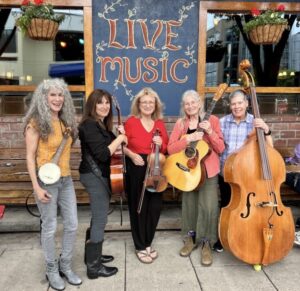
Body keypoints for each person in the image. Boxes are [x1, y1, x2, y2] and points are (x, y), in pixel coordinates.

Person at [24, 79, 82, 291]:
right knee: (49, 227)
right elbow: (29, 158)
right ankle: (51, 269)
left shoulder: (65, 122)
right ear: (44, 97)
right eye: (53, 95)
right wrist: (36, 188)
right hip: (45, 182)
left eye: (61, 95)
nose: (57, 99)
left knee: (73, 224)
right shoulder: (36, 122)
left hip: (66, 180)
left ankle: (65, 265)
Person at [167, 89, 225, 266]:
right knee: (190, 206)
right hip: (187, 172)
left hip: (207, 171)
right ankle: (190, 239)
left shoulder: (212, 120)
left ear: (200, 104)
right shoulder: (181, 124)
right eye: (187, 103)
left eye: (193, 102)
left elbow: (221, 148)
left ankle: (207, 242)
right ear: (183, 106)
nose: (190, 106)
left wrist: (210, 133)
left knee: (208, 208)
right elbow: (170, 149)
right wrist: (188, 138)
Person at [214, 89, 273, 253]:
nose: (236, 106)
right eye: (233, 104)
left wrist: (266, 130)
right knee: (227, 206)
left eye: (240, 103)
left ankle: (246, 236)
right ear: (229, 106)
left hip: (249, 175)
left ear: (247, 103)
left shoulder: (256, 122)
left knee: (249, 208)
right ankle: (223, 237)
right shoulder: (222, 122)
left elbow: (270, 149)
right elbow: (217, 146)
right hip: (227, 173)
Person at [78, 89, 127, 279]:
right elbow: (103, 154)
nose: (105, 106)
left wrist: (119, 135)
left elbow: (114, 147)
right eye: (100, 103)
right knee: (100, 219)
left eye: (107, 103)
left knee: (97, 217)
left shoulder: (100, 125)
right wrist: (120, 139)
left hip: (100, 175)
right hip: (94, 176)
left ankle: (92, 256)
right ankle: (93, 267)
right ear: (92, 105)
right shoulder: (89, 125)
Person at [124, 87, 169, 264]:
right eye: (144, 102)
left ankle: (148, 241)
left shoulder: (159, 124)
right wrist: (132, 155)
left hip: (156, 167)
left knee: (154, 207)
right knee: (138, 207)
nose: (148, 105)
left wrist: (161, 143)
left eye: (151, 102)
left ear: (155, 105)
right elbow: (122, 145)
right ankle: (140, 245)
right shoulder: (131, 122)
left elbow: (165, 147)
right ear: (139, 104)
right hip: (137, 166)